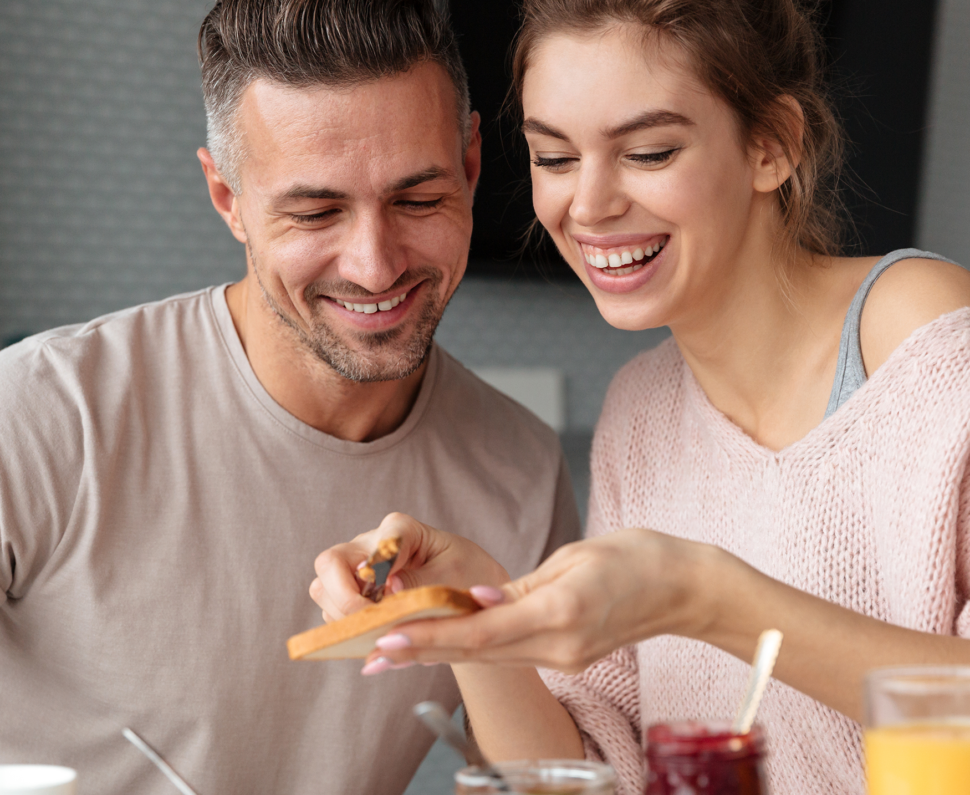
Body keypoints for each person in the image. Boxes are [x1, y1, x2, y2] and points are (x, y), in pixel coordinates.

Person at [310, 1, 970, 793]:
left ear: (773, 145)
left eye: (649, 152)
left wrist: (701, 596)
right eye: (554, 158)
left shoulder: (925, 344)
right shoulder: (642, 414)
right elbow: (594, 776)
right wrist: (472, 622)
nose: (587, 206)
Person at [0, 1, 580, 793]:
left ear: (473, 164)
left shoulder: (520, 466)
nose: (376, 266)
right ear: (227, 197)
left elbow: (557, 784)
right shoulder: (38, 413)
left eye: (417, 200)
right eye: (316, 211)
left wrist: (480, 628)